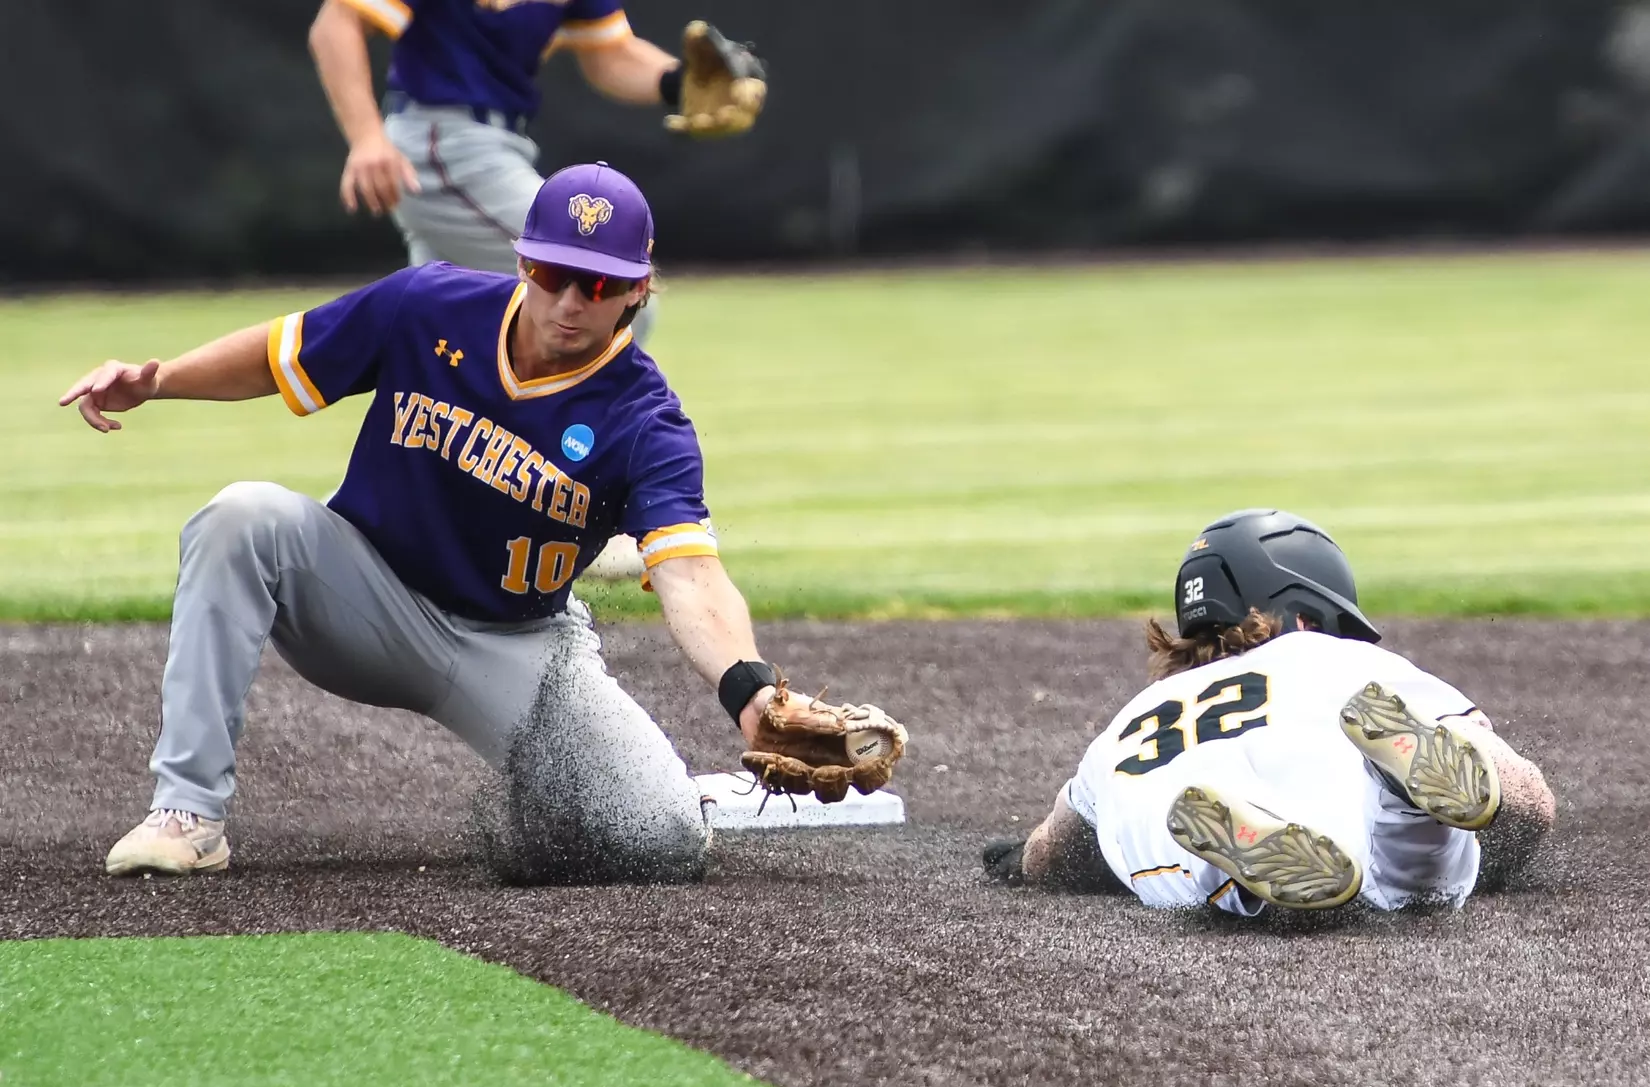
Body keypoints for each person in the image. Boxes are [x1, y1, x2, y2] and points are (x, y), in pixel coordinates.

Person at [60, 162, 902, 883]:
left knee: (663, 840)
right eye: (552, 273)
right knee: (240, 516)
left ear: (638, 291)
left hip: (517, 654)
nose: (571, 301)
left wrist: (750, 693)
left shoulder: (648, 420)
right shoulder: (429, 307)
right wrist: (158, 379)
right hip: (365, 597)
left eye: (600, 284)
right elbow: (285, 351)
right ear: (522, 261)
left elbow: (689, 574)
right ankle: (187, 814)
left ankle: (683, 788)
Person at [307, 0, 767, 578]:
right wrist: (366, 136)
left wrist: (678, 83)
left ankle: (360, 528)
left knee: (442, 352)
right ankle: (599, 509)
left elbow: (610, 52)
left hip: (495, 144)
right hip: (436, 140)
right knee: (611, 292)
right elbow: (336, 21)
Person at [982, 509, 1556, 914]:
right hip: (1368, 821)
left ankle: (1250, 849)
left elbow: (1054, 851)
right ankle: (1399, 789)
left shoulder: (1127, 724)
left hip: (1218, 836)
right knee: (1426, 876)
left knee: (1178, 853)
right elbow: (1529, 802)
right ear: (1305, 616)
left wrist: (1013, 861)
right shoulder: (1335, 657)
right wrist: (1506, 839)